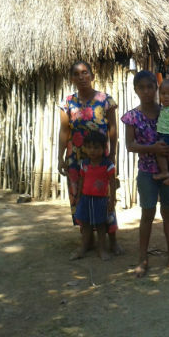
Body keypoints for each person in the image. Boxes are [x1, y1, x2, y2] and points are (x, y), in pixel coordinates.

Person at [121, 71, 169, 278]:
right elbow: (130, 146)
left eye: (150, 87)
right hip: (147, 172)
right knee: (147, 215)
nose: (147, 91)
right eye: (142, 87)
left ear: (156, 89)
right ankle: (142, 259)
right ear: (136, 90)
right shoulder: (132, 116)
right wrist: (153, 148)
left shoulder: (168, 110)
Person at [58, 61, 122, 257]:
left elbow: (113, 130)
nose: (81, 77)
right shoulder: (67, 103)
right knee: (79, 198)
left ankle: (112, 242)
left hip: (100, 158)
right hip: (76, 159)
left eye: (85, 73)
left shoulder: (105, 101)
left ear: (92, 76)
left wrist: (112, 155)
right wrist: (60, 157)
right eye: (76, 74)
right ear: (72, 79)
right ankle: (86, 241)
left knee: (105, 196)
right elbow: (64, 131)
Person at [71, 132, 116, 261]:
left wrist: (112, 200)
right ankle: (83, 249)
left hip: (100, 200)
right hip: (85, 199)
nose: (92, 151)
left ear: (103, 149)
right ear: (84, 148)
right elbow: (81, 180)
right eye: (89, 147)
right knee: (85, 226)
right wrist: (78, 197)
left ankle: (101, 249)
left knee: (101, 225)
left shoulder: (108, 165)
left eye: (96, 148)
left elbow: (112, 183)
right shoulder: (84, 164)